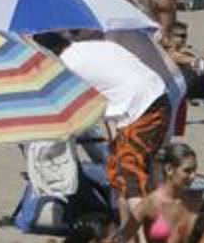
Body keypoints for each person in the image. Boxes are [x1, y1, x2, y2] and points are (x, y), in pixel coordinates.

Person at [41, 32, 170, 230]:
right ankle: (129, 233)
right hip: (155, 99)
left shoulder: (65, 66)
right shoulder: (95, 45)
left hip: (142, 109)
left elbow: (71, 110)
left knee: (129, 178)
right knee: (119, 175)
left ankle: (146, 235)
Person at [119, 143, 197, 243]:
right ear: (169, 169)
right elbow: (124, 237)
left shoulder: (194, 200)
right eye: (187, 171)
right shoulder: (151, 203)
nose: (193, 176)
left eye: (194, 170)